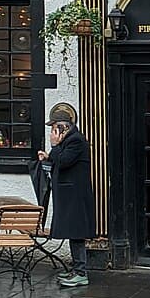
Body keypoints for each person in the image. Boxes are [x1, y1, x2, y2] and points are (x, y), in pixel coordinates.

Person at [38, 116, 95, 288]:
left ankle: (81, 272)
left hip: (75, 195)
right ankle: (76, 269)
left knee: (76, 232)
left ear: (63, 129)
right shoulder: (70, 140)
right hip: (69, 195)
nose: (51, 133)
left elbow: (63, 161)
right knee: (72, 232)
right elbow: (60, 161)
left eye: (54, 129)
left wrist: (54, 147)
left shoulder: (76, 141)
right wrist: (48, 158)